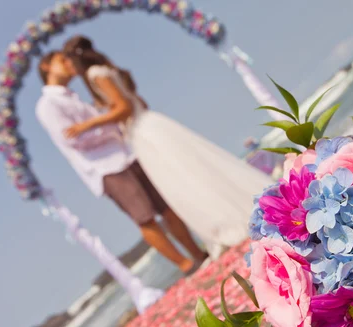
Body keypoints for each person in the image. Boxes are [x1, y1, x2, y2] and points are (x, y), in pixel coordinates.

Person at [61, 36, 274, 257]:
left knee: (182, 179)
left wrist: (89, 124)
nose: (68, 68)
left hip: (143, 133)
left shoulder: (94, 74)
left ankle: (225, 223)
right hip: (151, 124)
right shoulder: (106, 69)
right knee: (192, 171)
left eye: (67, 62)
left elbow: (123, 107)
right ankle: (232, 214)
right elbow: (138, 102)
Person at [35, 50, 207, 273]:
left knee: (164, 205)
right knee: (144, 217)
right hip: (105, 167)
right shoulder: (48, 105)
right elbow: (73, 139)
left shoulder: (73, 97)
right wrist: (107, 126)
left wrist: (104, 124)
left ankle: (198, 254)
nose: (70, 64)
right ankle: (186, 266)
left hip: (126, 153)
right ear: (46, 67)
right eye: (62, 60)